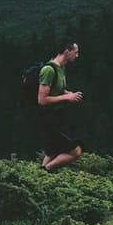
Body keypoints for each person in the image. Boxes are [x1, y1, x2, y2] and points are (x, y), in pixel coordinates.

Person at [37, 40, 86, 171]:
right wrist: (67, 97)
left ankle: (38, 178)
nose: (77, 55)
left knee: (52, 152)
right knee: (76, 151)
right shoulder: (49, 70)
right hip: (48, 118)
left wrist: (68, 93)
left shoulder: (61, 67)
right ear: (66, 51)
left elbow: (56, 88)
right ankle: (45, 171)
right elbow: (42, 99)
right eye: (75, 52)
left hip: (57, 117)